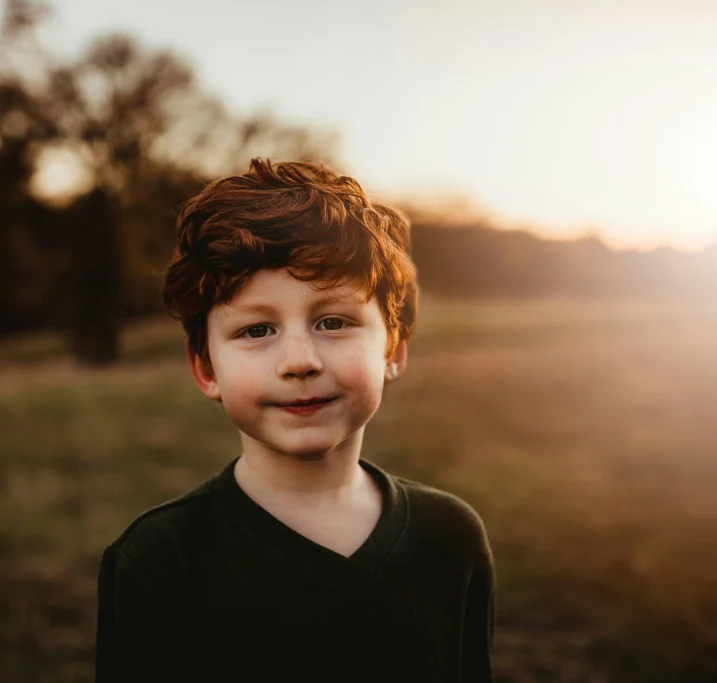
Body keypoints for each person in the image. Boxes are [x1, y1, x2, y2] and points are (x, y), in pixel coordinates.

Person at [95, 158, 496, 682]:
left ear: (393, 349)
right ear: (207, 368)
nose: (299, 361)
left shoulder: (450, 538)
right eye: (257, 330)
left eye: (333, 322)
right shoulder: (159, 559)